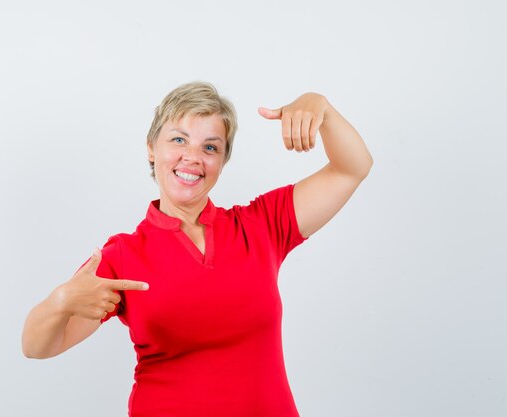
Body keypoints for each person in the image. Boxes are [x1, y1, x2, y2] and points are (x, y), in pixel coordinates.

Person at [21, 82, 373, 416]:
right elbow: (37, 346)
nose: (192, 157)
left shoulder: (262, 225)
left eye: (210, 147)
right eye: (179, 139)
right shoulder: (123, 256)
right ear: (151, 148)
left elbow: (352, 168)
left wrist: (321, 106)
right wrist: (60, 302)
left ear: (221, 161)